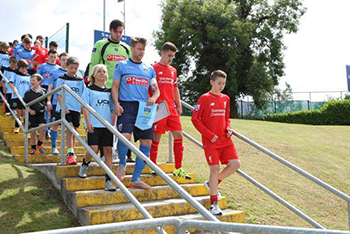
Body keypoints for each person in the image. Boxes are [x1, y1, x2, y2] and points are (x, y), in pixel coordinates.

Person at [112, 37, 160, 190]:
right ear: (132, 48)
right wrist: (117, 104)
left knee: (147, 142)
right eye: (139, 49)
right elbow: (115, 87)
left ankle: (136, 178)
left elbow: (156, 89)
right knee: (125, 138)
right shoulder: (122, 65)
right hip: (126, 106)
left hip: (143, 109)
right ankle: (122, 164)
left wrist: (153, 97)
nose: (142, 52)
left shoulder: (149, 69)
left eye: (144, 49)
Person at [191, 70, 241, 216]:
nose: (221, 86)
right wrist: (209, 135)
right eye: (219, 83)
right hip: (211, 141)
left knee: (235, 164)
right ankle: (214, 204)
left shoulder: (226, 99)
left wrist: (228, 128)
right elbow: (195, 119)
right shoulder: (204, 98)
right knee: (214, 169)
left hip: (225, 140)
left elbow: (227, 117)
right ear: (212, 82)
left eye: (224, 84)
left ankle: (212, 184)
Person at [90, 19, 133, 162]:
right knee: (107, 121)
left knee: (120, 121)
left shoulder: (126, 48)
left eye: (121, 32)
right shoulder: (101, 45)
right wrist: (92, 84)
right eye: (117, 32)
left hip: (122, 90)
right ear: (111, 30)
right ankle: (105, 152)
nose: (120, 34)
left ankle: (117, 152)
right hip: (104, 89)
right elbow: (94, 65)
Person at [149, 42, 191, 179]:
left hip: (171, 108)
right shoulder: (152, 68)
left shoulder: (173, 70)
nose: (170, 59)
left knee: (179, 135)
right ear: (162, 53)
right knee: (156, 137)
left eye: (172, 56)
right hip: (159, 108)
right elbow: (148, 88)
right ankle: (152, 165)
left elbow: (175, 88)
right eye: (169, 55)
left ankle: (178, 168)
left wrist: (178, 105)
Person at [79, 64, 116, 191]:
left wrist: (113, 124)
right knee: (93, 149)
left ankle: (108, 180)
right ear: (93, 75)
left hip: (106, 126)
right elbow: (85, 106)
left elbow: (112, 109)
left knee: (108, 152)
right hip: (94, 124)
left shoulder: (109, 92)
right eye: (99, 71)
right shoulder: (88, 89)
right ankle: (85, 164)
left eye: (104, 71)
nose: (102, 73)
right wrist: (87, 122)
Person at [56, 56, 86, 165]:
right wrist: (63, 107)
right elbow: (59, 95)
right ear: (67, 66)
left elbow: (83, 94)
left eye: (75, 68)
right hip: (66, 108)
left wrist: (82, 108)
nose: (73, 70)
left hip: (76, 109)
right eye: (71, 67)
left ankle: (72, 151)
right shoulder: (61, 78)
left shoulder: (80, 80)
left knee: (74, 130)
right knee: (70, 129)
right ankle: (69, 152)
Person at [47, 52, 69, 155]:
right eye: (63, 59)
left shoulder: (74, 73)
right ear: (59, 60)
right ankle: (54, 147)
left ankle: (70, 151)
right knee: (55, 125)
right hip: (56, 102)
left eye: (66, 59)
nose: (65, 61)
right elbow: (50, 87)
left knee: (70, 127)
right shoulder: (54, 72)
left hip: (69, 104)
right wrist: (48, 101)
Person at [37, 49, 60, 139]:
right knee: (46, 110)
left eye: (55, 57)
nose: (53, 59)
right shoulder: (43, 66)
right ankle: (46, 130)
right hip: (45, 88)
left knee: (53, 110)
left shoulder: (58, 68)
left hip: (55, 90)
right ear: (48, 57)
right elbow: (37, 77)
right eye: (51, 57)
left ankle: (49, 128)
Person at [23, 74, 47, 154]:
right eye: (31, 80)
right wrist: (29, 110)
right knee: (33, 132)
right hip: (32, 114)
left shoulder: (44, 91)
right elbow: (24, 103)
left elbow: (46, 101)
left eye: (34, 80)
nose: (32, 82)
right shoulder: (28, 92)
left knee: (43, 128)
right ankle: (33, 147)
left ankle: (40, 143)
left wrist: (47, 107)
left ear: (39, 81)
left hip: (41, 113)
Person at [8, 59, 31, 133]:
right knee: (18, 112)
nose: (24, 70)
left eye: (25, 68)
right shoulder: (15, 74)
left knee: (25, 112)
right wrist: (14, 88)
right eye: (22, 68)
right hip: (17, 96)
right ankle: (17, 126)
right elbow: (10, 82)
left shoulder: (29, 76)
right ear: (19, 68)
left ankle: (25, 128)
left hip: (26, 97)